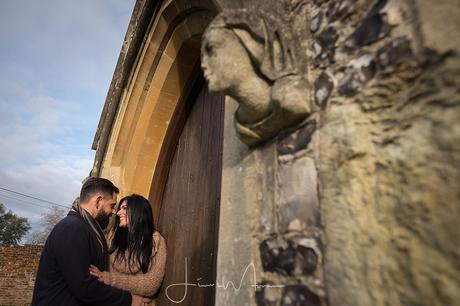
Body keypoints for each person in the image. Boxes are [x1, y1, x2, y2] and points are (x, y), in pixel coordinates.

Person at [32, 177, 149, 306]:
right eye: (112, 205)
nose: (113, 212)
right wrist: (129, 300)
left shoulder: (86, 229)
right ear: (98, 201)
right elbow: (83, 286)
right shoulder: (72, 228)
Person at [201, 10, 311, 146]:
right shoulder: (244, 130)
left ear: (248, 43)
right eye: (202, 57)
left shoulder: (292, 97)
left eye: (211, 49)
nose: (203, 64)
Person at [89, 194, 167, 305]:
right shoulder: (112, 239)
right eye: (120, 208)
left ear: (138, 211)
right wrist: (133, 297)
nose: (118, 213)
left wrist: (111, 279)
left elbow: (151, 284)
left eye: (124, 208)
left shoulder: (156, 242)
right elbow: (101, 277)